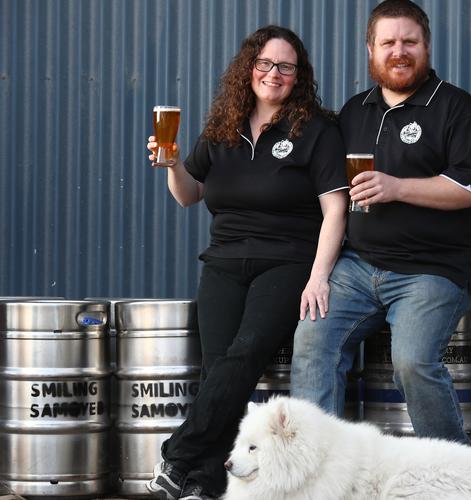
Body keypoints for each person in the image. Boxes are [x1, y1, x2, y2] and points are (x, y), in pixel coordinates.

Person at [145, 25, 348, 500]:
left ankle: (177, 456)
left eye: (285, 67)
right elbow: (188, 196)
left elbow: (335, 208)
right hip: (223, 260)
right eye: (265, 64)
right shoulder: (222, 127)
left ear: (298, 77)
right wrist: (172, 163)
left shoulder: (315, 130)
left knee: (245, 354)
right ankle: (204, 483)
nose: (273, 74)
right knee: (217, 369)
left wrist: (319, 277)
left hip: (286, 261)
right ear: (248, 68)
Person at [291, 0, 471, 445]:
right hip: (357, 267)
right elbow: (331, 193)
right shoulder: (353, 111)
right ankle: (317, 475)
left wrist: (397, 187)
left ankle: (450, 475)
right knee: (312, 344)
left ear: (426, 46)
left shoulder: (455, 108)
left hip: (432, 271)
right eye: (388, 42)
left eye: (409, 41)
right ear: (370, 50)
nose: (398, 51)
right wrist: (319, 274)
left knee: (413, 362)